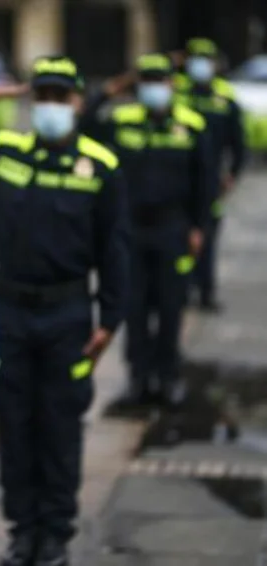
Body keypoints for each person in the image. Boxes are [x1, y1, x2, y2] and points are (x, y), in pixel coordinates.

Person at [0, 55, 129, 566]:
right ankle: (21, 533)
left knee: (59, 426)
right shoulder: (7, 151)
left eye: (62, 97)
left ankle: (54, 534)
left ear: (78, 102)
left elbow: (116, 249)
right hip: (9, 313)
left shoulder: (101, 165)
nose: (52, 106)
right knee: (13, 425)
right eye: (44, 96)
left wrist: (110, 321)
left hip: (69, 315)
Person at [80, 53, 211, 407]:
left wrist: (199, 227)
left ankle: (167, 377)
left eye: (160, 80)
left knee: (171, 307)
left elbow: (205, 181)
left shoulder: (192, 125)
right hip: (131, 231)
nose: (154, 88)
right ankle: (138, 378)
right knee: (133, 309)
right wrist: (110, 89)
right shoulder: (123, 121)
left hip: (173, 229)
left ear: (172, 84)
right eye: (147, 80)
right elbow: (84, 124)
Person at [173, 38, 247, 311]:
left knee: (206, 232)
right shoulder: (177, 91)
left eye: (206, 58)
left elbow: (238, 143)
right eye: (194, 58)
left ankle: (205, 291)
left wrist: (233, 173)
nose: (200, 65)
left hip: (210, 179)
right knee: (178, 238)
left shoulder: (225, 98)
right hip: (178, 180)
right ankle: (180, 290)